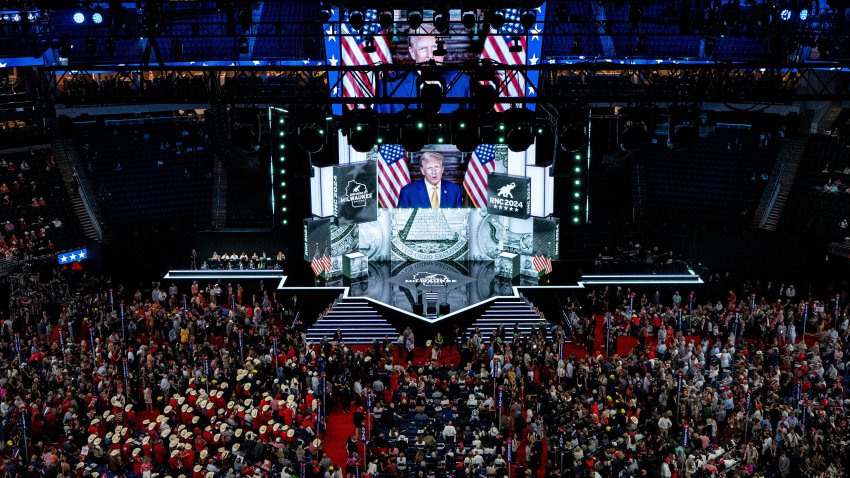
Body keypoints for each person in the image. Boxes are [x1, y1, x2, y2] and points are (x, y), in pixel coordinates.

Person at [376, 25, 469, 114]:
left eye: (435, 48)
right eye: (423, 48)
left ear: (444, 50)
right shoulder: (389, 85)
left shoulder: (462, 81)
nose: (430, 55)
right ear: (412, 52)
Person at [397, 152, 463, 208]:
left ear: (442, 169)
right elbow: (401, 220)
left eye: (437, 167)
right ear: (422, 171)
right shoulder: (407, 191)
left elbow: (459, 219)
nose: (434, 172)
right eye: (429, 168)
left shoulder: (454, 190)